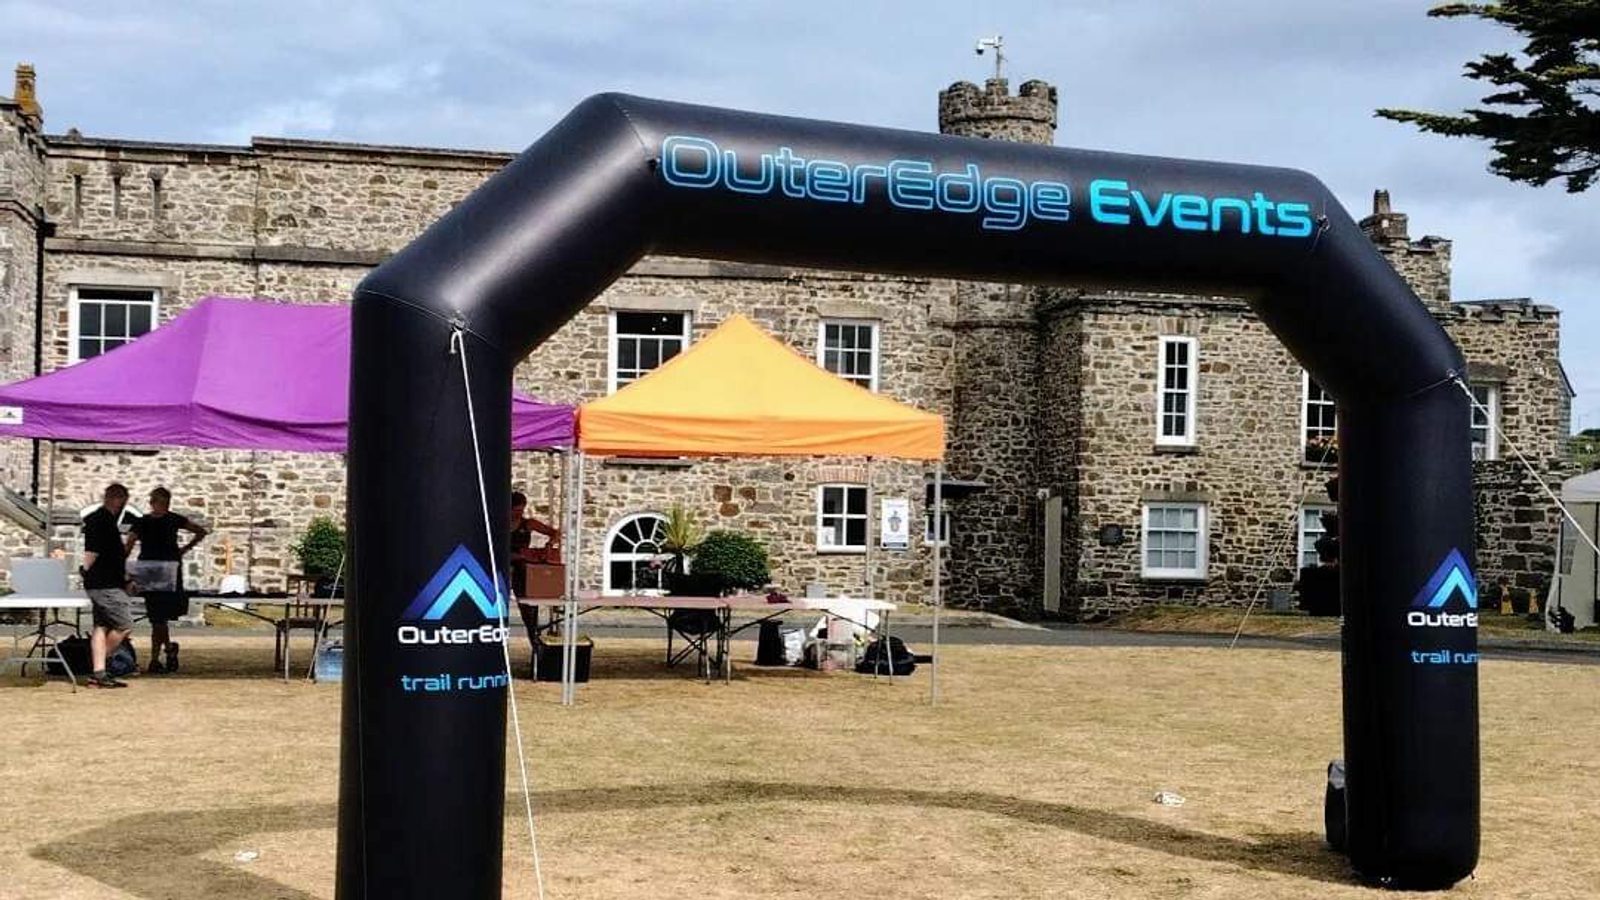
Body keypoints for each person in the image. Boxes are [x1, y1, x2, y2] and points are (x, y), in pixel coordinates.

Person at [125, 487, 208, 674]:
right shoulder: (142, 521)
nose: (159, 505)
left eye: (162, 502)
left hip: (169, 570)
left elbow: (200, 531)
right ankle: (165, 651)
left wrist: (185, 549)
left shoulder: (174, 519)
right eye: (156, 501)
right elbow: (129, 544)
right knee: (157, 616)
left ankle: (160, 655)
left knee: (159, 617)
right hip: (149, 570)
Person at [80, 483, 134, 688]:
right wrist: (85, 569)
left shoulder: (106, 520)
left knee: (102, 626)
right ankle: (98, 663)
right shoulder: (99, 520)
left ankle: (99, 673)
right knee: (124, 624)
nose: (123, 506)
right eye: (123, 501)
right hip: (104, 584)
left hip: (107, 582)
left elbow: (113, 555)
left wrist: (126, 579)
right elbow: (92, 550)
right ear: (116, 499)